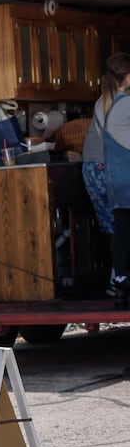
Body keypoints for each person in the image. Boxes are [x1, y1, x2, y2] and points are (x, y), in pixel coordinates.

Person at [98, 53, 130, 306]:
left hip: (115, 179)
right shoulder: (126, 104)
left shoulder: (103, 104)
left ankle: (120, 281)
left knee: (122, 232)